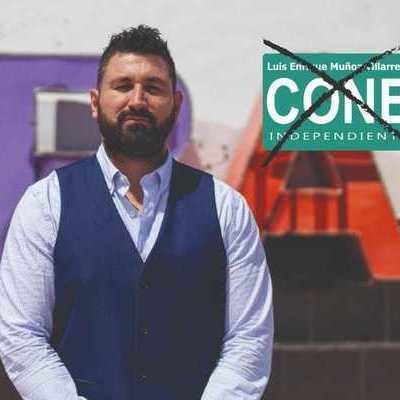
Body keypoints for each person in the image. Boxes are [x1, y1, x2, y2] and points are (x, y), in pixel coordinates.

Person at [0, 25, 273, 400]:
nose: (138, 100)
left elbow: (249, 339)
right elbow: (22, 335)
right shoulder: (45, 203)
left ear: (176, 104)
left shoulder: (226, 208)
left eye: (153, 87)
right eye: (123, 85)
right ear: (95, 101)